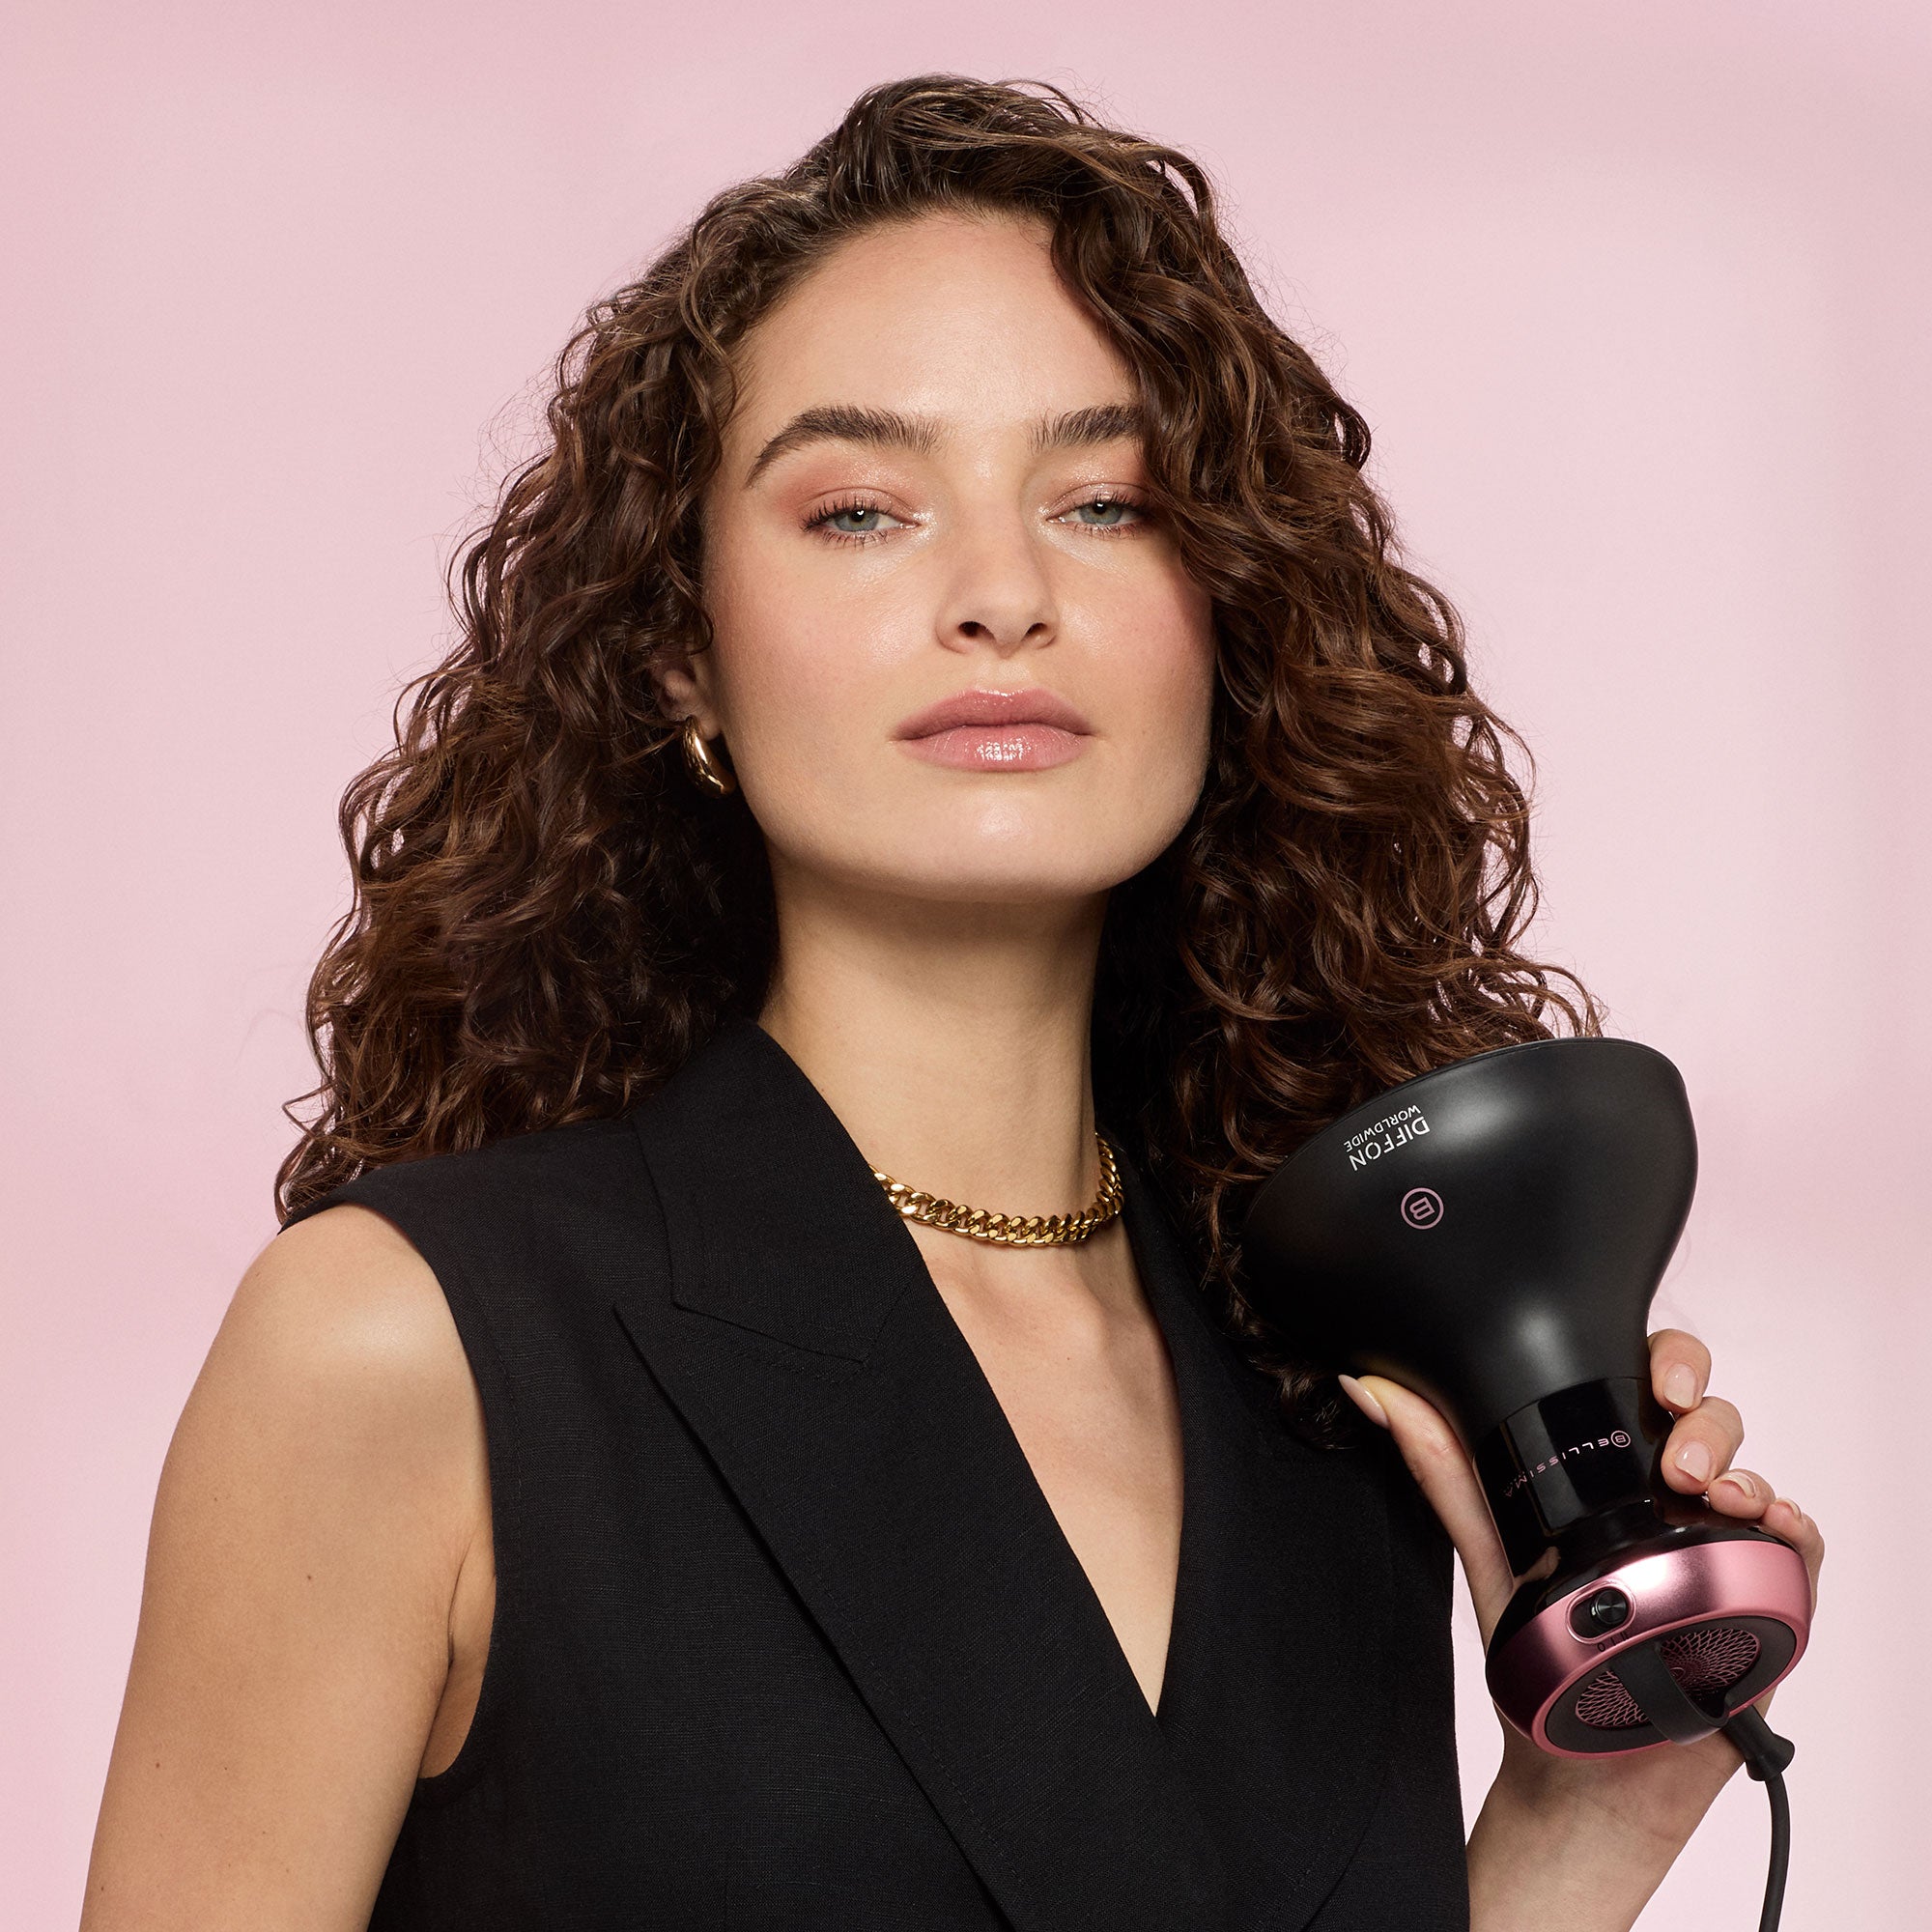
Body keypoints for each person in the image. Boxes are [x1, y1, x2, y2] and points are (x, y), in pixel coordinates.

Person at [82, 73, 1824, 1931]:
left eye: (1104, 499)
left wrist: (1584, 1824)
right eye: (858, 511)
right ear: (685, 654)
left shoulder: (1336, 1411)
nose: (1001, 593)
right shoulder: (401, 1349)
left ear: (1224, 616)